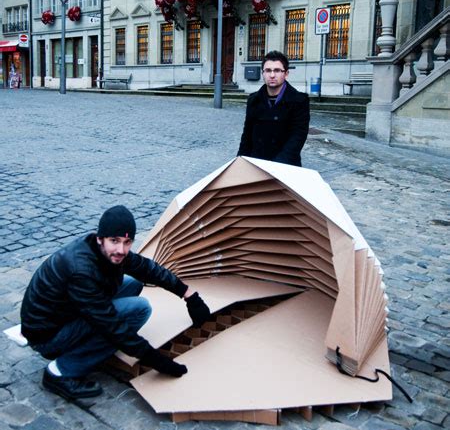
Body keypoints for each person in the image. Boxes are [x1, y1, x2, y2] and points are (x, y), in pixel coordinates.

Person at [20, 205, 210, 400]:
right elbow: (112, 326)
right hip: (48, 336)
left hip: (66, 312)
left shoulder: (104, 250)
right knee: (139, 309)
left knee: (134, 283)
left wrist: (188, 295)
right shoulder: (81, 269)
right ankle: (60, 372)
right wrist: (157, 361)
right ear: (100, 238)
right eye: (115, 241)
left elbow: (148, 269)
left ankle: (89, 344)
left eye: (127, 242)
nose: (121, 249)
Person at [237, 51, 310, 166]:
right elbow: (247, 135)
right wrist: (240, 161)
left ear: (286, 74)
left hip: (285, 165)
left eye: (277, 70)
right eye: (268, 70)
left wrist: (276, 165)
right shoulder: (253, 100)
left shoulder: (299, 101)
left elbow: (298, 137)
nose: (272, 75)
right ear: (263, 73)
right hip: (257, 164)